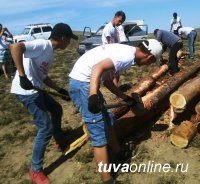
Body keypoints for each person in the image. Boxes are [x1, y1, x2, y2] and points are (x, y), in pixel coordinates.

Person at [69, 41, 162, 184]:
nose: (146, 65)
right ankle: (107, 180)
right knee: (98, 131)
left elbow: (107, 81)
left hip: (87, 83)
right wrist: (93, 95)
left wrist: (125, 97)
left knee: (109, 118)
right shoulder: (125, 57)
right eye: (150, 63)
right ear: (149, 57)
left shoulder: (127, 53)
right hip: (83, 84)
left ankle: (118, 151)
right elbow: (97, 67)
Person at [10, 23, 78, 184]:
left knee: (56, 109)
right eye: (68, 40)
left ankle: (59, 140)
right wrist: (22, 76)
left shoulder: (50, 53)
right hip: (26, 92)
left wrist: (60, 89)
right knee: (45, 128)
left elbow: (43, 77)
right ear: (62, 38)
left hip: (36, 88)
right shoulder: (42, 44)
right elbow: (15, 47)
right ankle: (35, 170)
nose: (68, 44)